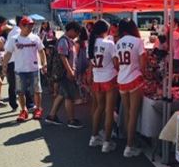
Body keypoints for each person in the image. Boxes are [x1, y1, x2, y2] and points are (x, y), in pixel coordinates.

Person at [2, 16, 47, 122]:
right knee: (20, 92)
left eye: (32, 26)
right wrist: (4, 65)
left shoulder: (35, 38)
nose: (30, 28)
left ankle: (38, 109)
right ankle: (23, 110)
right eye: (28, 26)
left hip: (34, 69)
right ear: (21, 26)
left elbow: (41, 51)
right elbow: (8, 53)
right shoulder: (14, 39)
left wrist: (44, 63)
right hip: (20, 70)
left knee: (37, 90)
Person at [115, 19, 146, 158]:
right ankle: (129, 146)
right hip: (134, 79)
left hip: (121, 80)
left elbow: (116, 63)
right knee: (133, 114)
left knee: (127, 112)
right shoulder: (138, 41)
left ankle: (128, 142)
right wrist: (142, 73)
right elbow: (143, 63)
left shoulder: (118, 43)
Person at [88, 19, 119, 153]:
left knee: (99, 108)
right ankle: (107, 142)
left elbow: (91, 63)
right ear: (105, 30)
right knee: (109, 110)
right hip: (110, 78)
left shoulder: (91, 44)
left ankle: (94, 137)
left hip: (97, 78)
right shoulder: (109, 44)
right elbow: (116, 63)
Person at [45, 21, 83, 128]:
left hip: (64, 72)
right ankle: (71, 120)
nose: (77, 35)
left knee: (62, 95)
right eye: (77, 33)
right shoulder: (64, 41)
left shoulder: (67, 40)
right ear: (71, 30)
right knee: (69, 97)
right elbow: (63, 57)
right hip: (65, 73)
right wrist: (70, 71)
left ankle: (52, 116)